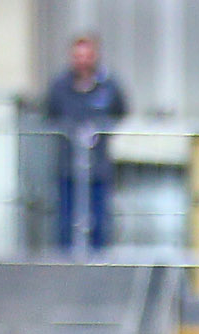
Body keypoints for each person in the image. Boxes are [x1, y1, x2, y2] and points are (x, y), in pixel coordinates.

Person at [46, 34, 126, 257]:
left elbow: (120, 111)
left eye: (87, 55)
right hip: (68, 167)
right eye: (78, 56)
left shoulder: (109, 86)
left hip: (98, 167)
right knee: (65, 221)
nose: (83, 61)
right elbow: (50, 114)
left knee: (99, 221)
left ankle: (99, 266)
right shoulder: (60, 86)